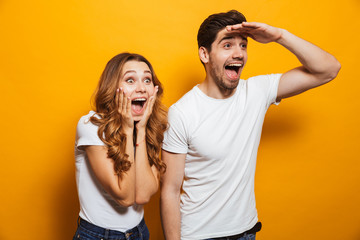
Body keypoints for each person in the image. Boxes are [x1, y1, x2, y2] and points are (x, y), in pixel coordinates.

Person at [160, 10, 341, 240]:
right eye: (227, 45)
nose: (238, 54)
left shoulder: (256, 92)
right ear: (204, 54)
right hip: (198, 235)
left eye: (243, 45)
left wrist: (279, 36)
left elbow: (328, 69)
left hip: (246, 232)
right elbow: (170, 191)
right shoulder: (182, 113)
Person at [73, 52, 167, 240]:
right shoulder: (91, 126)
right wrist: (126, 128)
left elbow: (142, 196)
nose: (141, 88)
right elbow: (124, 197)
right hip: (97, 235)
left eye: (147, 80)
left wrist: (139, 131)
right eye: (130, 80)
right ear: (114, 87)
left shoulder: (152, 127)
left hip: (138, 233)